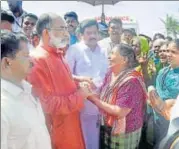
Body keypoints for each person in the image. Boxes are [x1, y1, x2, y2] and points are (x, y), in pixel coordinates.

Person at [27, 13, 92, 149]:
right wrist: (80, 95)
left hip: (70, 127)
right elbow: (46, 104)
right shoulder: (37, 60)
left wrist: (77, 83)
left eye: (66, 28)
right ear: (46, 32)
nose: (66, 33)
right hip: (58, 135)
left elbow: (60, 82)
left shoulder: (57, 54)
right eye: (61, 28)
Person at [88, 43, 147, 149]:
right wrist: (89, 89)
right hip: (109, 127)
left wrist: (92, 99)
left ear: (124, 59)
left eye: (112, 53)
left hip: (125, 132)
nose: (109, 56)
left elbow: (120, 111)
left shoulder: (131, 81)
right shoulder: (111, 73)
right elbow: (102, 93)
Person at [1, 31, 52, 149]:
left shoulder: (28, 91)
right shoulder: (3, 105)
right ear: (7, 62)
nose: (32, 60)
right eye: (26, 55)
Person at [66, 19, 108, 149]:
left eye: (95, 32)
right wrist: (82, 79)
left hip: (101, 102)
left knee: (95, 137)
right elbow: (66, 75)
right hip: (81, 102)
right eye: (89, 33)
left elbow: (107, 73)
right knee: (81, 137)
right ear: (81, 35)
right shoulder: (74, 50)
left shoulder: (103, 51)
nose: (93, 36)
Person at [150, 39, 179, 148]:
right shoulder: (163, 71)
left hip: (174, 122)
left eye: (174, 52)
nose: (169, 55)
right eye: (167, 51)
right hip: (158, 120)